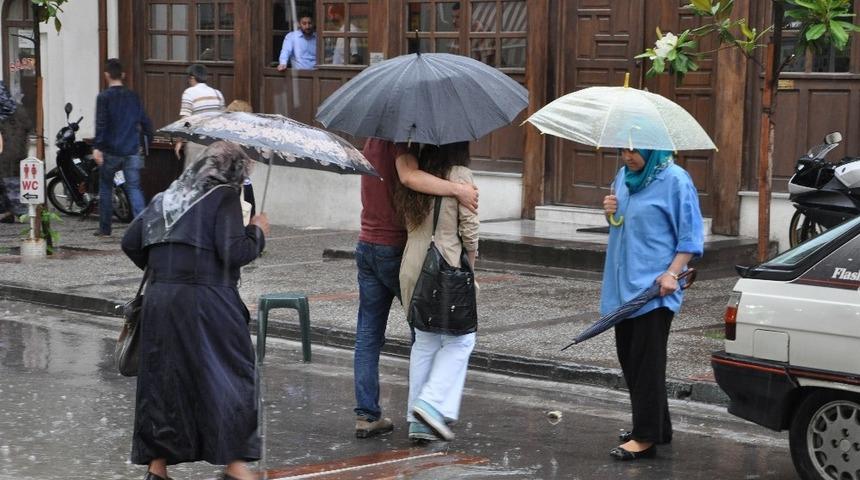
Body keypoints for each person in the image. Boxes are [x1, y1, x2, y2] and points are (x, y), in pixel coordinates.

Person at [121, 141, 270, 480]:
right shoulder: (225, 197)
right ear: (233, 172)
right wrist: (258, 231)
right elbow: (235, 252)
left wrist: (165, 266)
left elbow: (130, 241)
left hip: (161, 300)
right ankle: (235, 466)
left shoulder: (166, 197)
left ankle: (157, 468)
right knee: (228, 376)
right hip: (208, 302)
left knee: (165, 381)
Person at [352, 138, 478, 439]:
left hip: (367, 244)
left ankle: (368, 414)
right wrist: (459, 189)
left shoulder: (370, 143)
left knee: (370, 335)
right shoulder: (402, 149)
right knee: (432, 333)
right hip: (397, 250)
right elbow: (409, 178)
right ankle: (428, 407)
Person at [601, 148, 703, 461]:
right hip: (623, 287)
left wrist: (673, 273)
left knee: (646, 361)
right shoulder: (623, 177)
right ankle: (658, 425)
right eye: (623, 149)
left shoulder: (675, 180)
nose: (627, 155)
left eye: (634, 149)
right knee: (630, 357)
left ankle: (645, 437)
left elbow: (691, 234)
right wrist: (610, 212)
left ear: (651, 146)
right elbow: (621, 224)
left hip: (656, 287)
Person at [396, 142, 479, 443]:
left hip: (413, 265)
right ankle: (430, 402)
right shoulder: (460, 176)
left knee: (425, 341)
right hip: (445, 265)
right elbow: (469, 232)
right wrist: (471, 268)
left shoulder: (415, 173)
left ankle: (417, 421)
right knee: (462, 340)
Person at [92, 58, 153, 237]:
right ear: (123, 75)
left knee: (105, 187)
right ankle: (142, 228)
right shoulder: (133, 96)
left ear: (106, 75)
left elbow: (101, 124)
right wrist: (147, 140)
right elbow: (145, 121)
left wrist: (97, 147)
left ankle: (105, 228)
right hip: (132, 149)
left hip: (110, 149)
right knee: (134, 187)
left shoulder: (103, 97)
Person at [175, 64, 225, 169]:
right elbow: (222, 119)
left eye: (188, 78)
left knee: (192, 178)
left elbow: (186, 119)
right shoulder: (217, 94)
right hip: (215, 143)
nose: (188, 81)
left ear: (192, 77)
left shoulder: (189, 93)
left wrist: (180, 140)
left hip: (196, 142)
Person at [225, 100, 256, 218]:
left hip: (228, 186)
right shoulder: (248, 136)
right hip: (243, 185)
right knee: (246, 221)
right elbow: (249, 167)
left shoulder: (224, 135)